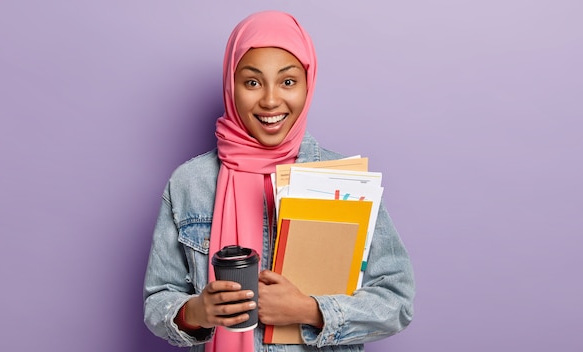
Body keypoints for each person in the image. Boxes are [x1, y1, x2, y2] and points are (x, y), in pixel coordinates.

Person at [143, 10, 415, 352]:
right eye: (253, 82)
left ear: (307, 83)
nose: (271, 100)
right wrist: (196, 311)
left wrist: (310, 310)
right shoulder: (190, 183)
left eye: (287, 81)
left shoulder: (343, 181)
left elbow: (397, 300)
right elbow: (158, 300)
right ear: (231, 85)